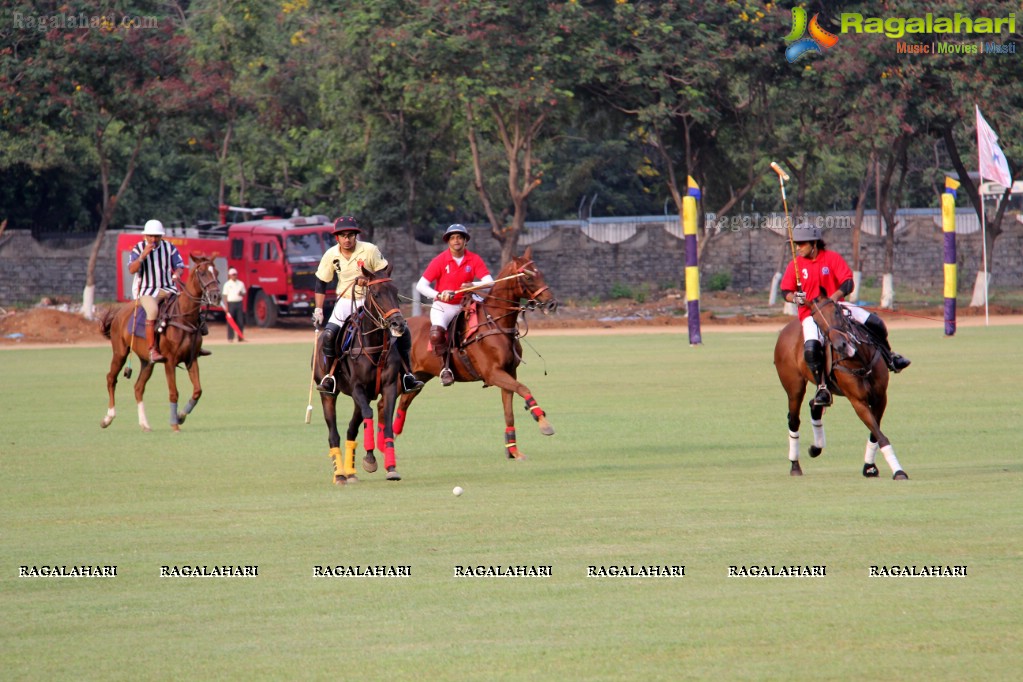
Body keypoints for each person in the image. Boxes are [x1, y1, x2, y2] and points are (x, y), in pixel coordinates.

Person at [780, 223, 911, 408]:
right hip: (810, 314)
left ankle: (890, 357)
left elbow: (848, 283)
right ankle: (822, 387)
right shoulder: (795, 265)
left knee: (875, 322)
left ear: (814, 243)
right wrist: (795, 297)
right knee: (811, 347)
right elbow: (785, 291)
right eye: (796, 244)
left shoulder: (831, 258)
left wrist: (832, 299)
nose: (798, 247)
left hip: (838, 308)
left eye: (801, 243)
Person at [312, 216, 423, 394]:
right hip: (345, 301)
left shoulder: (370, 250)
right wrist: (318, 309)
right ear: (337, 237)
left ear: (356, 235)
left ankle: (407, 375)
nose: (347, 239)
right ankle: (329, 377)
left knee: (402, 330)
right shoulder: (331, 255)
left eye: (350, 235)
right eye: (343, 235)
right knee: (330, 335)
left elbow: (383, 273)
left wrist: (369, 280)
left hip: (372, 300)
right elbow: (321, 283)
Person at [415, 224, 493, 386]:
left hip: (468, 304)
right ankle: (445, 368)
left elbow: (489, 282)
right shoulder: (440, 260)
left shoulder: (474, 259)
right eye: (453, 238)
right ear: (448, 242)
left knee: (489, 322)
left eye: (459, 237)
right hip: (445, 306)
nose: (456, 241)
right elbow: (421, 286)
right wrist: (438, 294)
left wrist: (473, 285)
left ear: (465, 241)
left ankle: (491, 363)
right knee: (437, 334)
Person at [128, 219, 184, 362]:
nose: (154, 239)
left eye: (157, 236)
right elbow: (131, 269)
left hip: (168, 288)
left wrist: (177, 274)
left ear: (161, 236)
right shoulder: (138, 248)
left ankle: (194, 343)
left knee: (187, 304)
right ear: (145, 235)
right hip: (148, 291)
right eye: (151, 236)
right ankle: (152, 349)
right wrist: (142, 257)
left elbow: (179, 265)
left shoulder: (169, 247)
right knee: (152, 311)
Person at [222, 268, 246, 342]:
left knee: (240, 321)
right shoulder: (227, 284)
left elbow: (244, 293)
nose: (234, 276)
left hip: (239, 303)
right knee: (231, 321)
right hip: (231, 303)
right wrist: (226, 306)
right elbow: (225, 296)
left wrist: (241, 293)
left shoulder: (240, 283)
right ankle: (230, 338)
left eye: (235, 274)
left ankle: (240, 336)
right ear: (230, 276)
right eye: (233, 275)